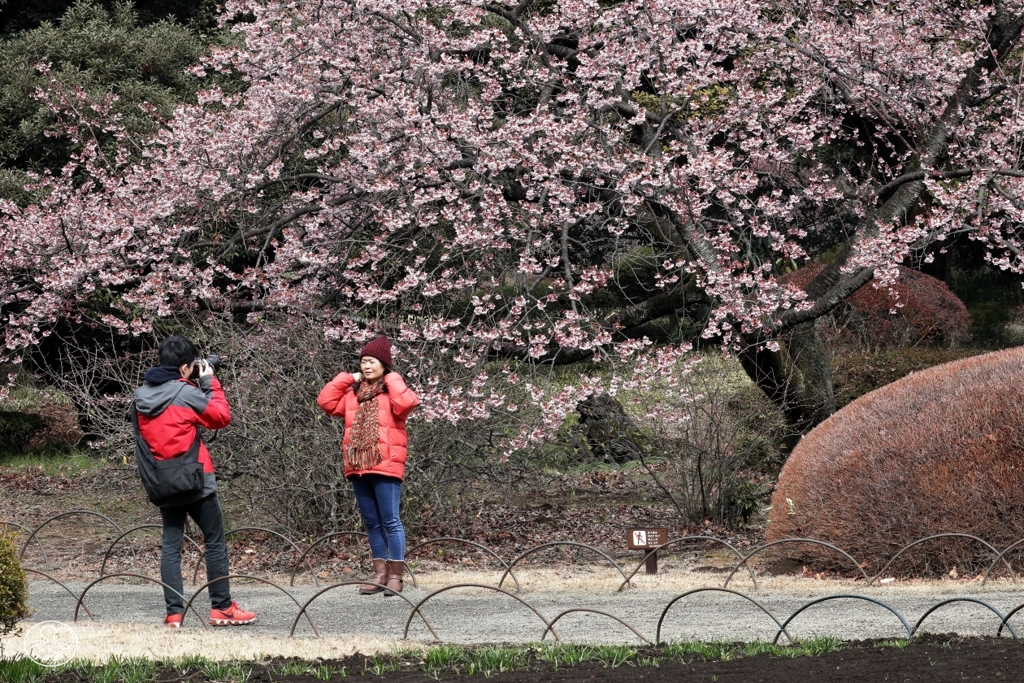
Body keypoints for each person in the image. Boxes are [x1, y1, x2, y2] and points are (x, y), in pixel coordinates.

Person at [134, 335, 257, 627]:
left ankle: (174, 613)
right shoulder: (185, 393)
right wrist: (210, 382)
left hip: (161, 480)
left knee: (171, 544)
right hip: (196, 479)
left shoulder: (140, 397)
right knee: (214, 540)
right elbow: (220, 417)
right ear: (187, 367)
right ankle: (222, 607)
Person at [317, 335, 420, 594]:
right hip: (358, 466)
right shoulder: (353, 395)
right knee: (372, 523)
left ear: (384, 364)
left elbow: (408, 403)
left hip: (386, 465)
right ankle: (380, 573)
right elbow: (325, 402)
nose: (366, 366)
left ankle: (396, 575)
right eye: (363, 362)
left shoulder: (392, 393)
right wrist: (347, 378)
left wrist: (392, 378)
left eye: (372, 361)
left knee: (391, 520)